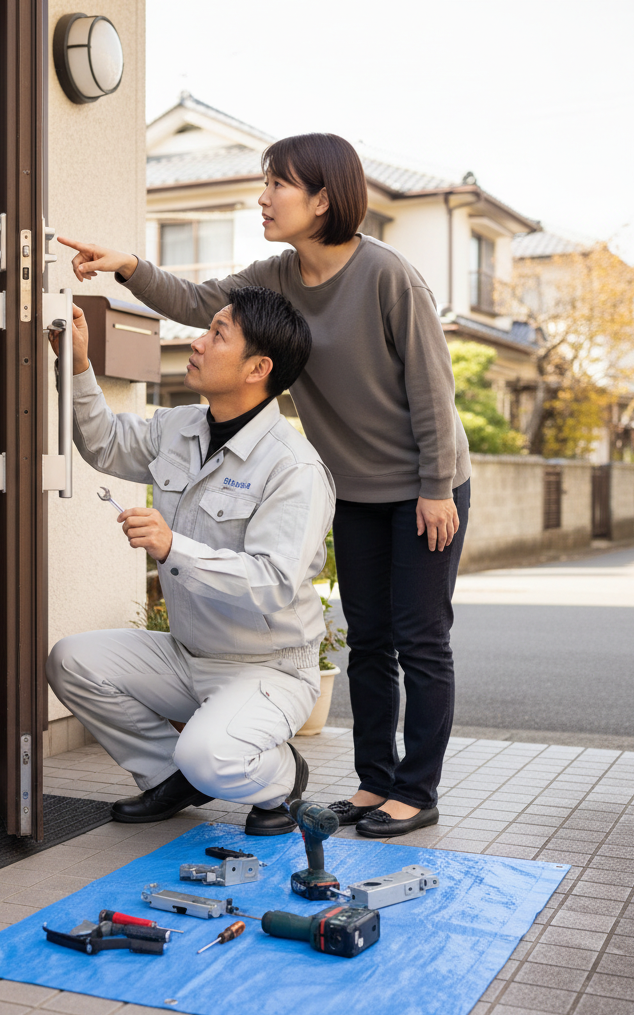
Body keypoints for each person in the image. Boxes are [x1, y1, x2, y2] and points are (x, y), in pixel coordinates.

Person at [58, 132, 471, 839]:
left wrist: (435, 485)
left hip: (424, 485)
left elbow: (432, 385)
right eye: (266, 181)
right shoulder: (277, 276)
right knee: (370, 639)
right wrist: (128, 266)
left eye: (278, 183)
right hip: (355, 489)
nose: (264, 196)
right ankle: (375, 782)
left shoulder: (387, 275)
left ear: (323, 199)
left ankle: (416, 790)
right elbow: (198, 301)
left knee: (421, 638)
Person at [46, 286, 334, 836]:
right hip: (188, 654)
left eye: (217, 334)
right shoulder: (177, 427)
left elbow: (273, 582)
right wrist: (78, 365)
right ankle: (171, 777)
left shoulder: (293, 469)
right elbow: (104, 443)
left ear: (258, 368)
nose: (198, 343)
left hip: (268, 668)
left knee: (211, 755)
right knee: (71, 660)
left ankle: (281, 776)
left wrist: (173, 546)